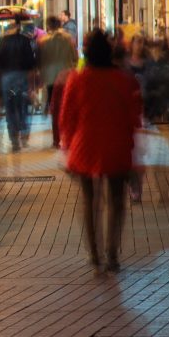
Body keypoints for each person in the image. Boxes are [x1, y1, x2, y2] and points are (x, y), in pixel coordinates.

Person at [59, 29, 142, 272]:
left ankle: (94, 254)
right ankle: (112, 253)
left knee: (89, 200)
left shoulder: (76, 79)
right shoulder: (124, 79)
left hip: (84, 147)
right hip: (116, 146)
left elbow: (66, 117)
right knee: (116, 200)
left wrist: (66, 144)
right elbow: (134, 116)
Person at [0, 15, 36, 152]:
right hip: (21, 77)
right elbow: (31, 60)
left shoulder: (3, 41)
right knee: (22, 105)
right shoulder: (25, 40)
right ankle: (23, 134)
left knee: (10, 107)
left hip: (7, 78)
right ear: (19, 27)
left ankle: (14, 140)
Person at [38, 16, 78, 148]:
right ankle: (68, 136)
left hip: (50, 79)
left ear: (48, 26)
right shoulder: (68, 39)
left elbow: (41, 61)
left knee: (54, 110)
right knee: (67, 108)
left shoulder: (43, 41)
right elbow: (74, 57)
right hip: (66, 77)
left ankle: (56, 140)